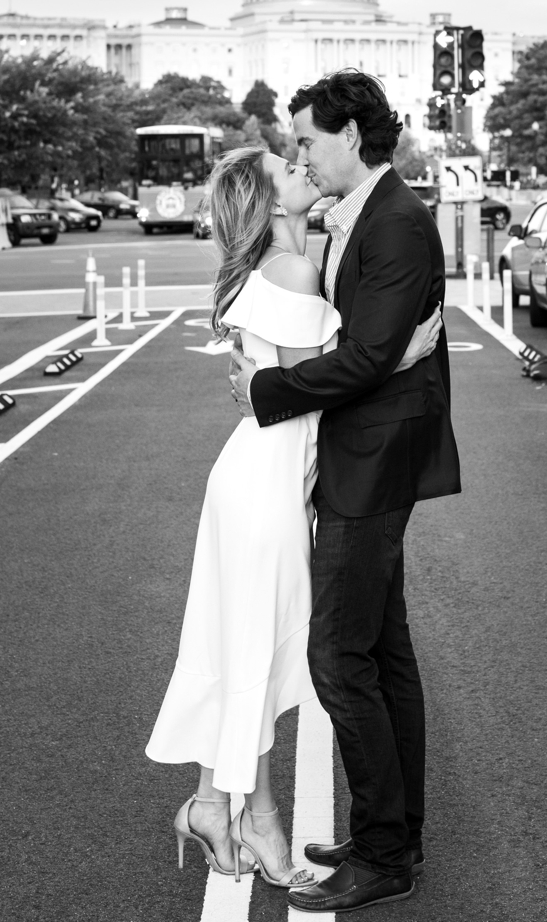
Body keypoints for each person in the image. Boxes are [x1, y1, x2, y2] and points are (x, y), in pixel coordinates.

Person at [148, 145, 440, 888]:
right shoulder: (295, 270)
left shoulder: (281, 266)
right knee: (261, 654)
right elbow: (329, 381)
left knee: (252, 649)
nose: (303, 168)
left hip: (262, 476)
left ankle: (219, 804)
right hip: (265, 485)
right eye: (288, 168)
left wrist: (294, 377)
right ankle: (252, 816)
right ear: (272, 203)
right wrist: (402, 355)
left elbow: (291, 377)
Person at [231, 69, 461, 913]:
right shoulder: (363, 215)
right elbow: (370, 346)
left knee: (338, 654)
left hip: (372, 461)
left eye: (308, 140)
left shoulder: (396, 223)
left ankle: (385, 854)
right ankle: (394, 835)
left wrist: (265, 391)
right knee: (384, 652)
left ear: (351, 137)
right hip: (364, 452)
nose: (301, 154)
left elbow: (366, 358)